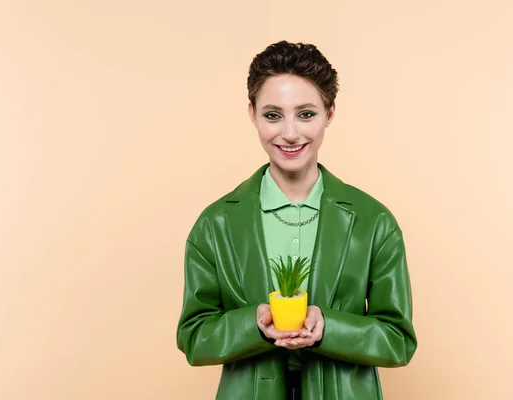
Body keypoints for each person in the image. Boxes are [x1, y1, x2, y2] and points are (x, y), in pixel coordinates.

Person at [176, 40, 417, 400]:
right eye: (273, 114)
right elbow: (194, 337)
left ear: (330, 113)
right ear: (252, 113)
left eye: (306, 114)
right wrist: (253, 324)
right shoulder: (216, 224)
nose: (290, 133)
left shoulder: (373, 221)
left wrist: (327, 328)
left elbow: (398, 340)